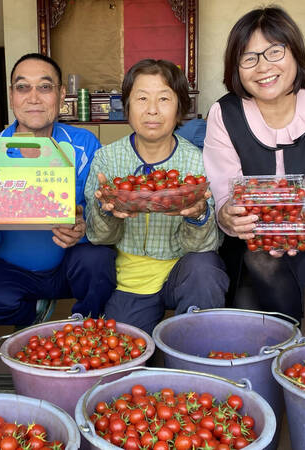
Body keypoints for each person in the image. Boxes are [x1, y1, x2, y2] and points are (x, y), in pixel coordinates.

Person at [203, 6, 305, 323]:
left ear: (295, 52)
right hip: (248, 237)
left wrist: (294, 226)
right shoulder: (225, 113)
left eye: (274, 51)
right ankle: (288, 342)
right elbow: (225, 192)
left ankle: (283, 341)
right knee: (254, 277)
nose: (263, 67)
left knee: (259, 280)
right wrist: (229, 216)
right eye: (249, 58)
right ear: (236, 67)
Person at [0, 53, 116, 327]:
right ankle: (32, 313)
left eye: (44, 87)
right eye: (22, 87)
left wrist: (83, 228)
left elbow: (105, 213)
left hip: (69, 264)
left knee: (98, 261)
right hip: (10, 268)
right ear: (11, 96)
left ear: (61, 94)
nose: (33, 97)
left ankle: (86, 325)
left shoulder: (84, 145)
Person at [85, 59, 228, 335]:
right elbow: (99, 238)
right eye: (141, 98)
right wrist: (106, 212)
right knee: (124, 358)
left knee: (206, 268)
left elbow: (210, 243)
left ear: (180, 108)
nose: (152, 110)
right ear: (127, 107)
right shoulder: (107, 160)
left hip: (182, 273)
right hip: (132, 279)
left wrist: (198, 216)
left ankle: (194, 346)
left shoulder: (198, 163)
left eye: (164, 98)